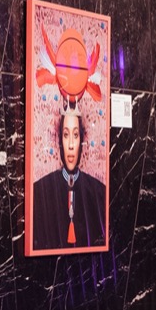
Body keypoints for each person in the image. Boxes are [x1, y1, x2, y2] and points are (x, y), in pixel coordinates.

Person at [32, 105, 108, 250]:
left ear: (82, 140)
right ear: (60, 141)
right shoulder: (40, 191)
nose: (71, 145)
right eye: (66, 135)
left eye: (76, 135)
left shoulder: (98, 192)